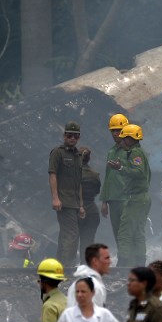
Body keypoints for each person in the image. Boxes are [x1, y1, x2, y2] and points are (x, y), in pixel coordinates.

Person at [106, 124, 151, 266]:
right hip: (141, 198)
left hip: (136, 198)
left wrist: (121, 168)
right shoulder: (136, 153)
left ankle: (123, 265)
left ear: (131, 139)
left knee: (124, 232)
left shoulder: (136, 153)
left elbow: (139, 173)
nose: (122, 141)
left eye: (124, 138)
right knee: (138, 232)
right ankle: (140, 263)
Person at [48, 121, 84, 266]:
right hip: (64, 201)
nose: (72, 139)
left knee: (65, 234)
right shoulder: (58, 153)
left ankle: (60, 265)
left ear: (79, 137)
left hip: (74, 202)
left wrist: (81, 205)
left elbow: (79, 181)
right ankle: (67, 266)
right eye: (69, 135)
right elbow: (52, 175)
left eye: (75, 136)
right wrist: (55, 198)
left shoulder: (78, 155)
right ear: (64, 136)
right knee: (72, 234)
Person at [101, 113, 130, 252]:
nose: (116, 133)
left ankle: (129, 260)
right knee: (117, 233)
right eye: (113, 130)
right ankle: (123, 259)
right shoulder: (111, 151)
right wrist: (104, 201)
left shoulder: (133, 151)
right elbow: (108, 176)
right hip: (113, 200)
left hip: (126, 198)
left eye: (119, 130)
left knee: (127, 232)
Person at [67, 243, 111, 309]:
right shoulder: (93, 286)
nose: (110, 261)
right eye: (106, 258)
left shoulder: (79, 282)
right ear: (95, 261)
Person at [78, 147, 101, 256]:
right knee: (88, 241)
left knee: (71, 240)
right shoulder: (95, 174)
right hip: (92, 210)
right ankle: (86, 266)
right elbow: (97, 191)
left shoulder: (73, 174)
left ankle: (68, 266)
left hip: (76, 210)